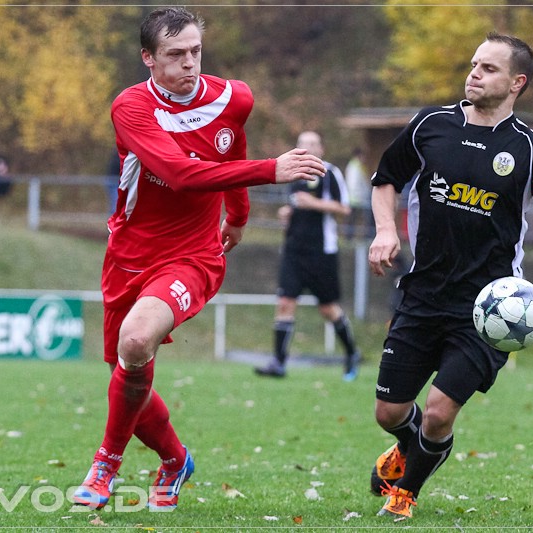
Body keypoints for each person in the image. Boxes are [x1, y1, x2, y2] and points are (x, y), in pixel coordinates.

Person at [71, 7, 325, 513]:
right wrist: (270, 170)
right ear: (148, 58)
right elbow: (181, 173)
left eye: (195, 52)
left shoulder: (234, 97)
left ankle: (105, 467)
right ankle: (175, 460)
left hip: (193, 254)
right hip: (128, 256)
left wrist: (238, 216)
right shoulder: (131, 107)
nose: (189, 63)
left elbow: (231, 153)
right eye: (175, 54)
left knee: (136, 340)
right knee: (127, 368)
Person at [367, 32, 533, 519]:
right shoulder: (430, 125)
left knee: (438, 411)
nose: (474, 74)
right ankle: (413, 446)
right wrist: (385, 230)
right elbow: (385, 181)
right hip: (422, 294)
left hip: (489, 309)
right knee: (389, 412)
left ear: (517, 82)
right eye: (474, 64)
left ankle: (405, 494)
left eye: (489, 68)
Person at [255, 131, 362, 382]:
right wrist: (286, 214)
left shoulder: (330, 173)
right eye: (303, 144)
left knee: (328, 309)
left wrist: (312, 204)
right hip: (293, 250)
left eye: (313, 144)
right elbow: (295, 205)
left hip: (321, 252)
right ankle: (278, 363)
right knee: (285, 303)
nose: (308, 148)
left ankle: (352, 353)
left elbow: (344, 209)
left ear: (321, 149)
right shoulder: (292, 173)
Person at [343, 146, 372, 239]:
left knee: (354, 219)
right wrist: (360, 195)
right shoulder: (355, 166)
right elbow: (354, 183)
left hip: (356, 197)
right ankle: (350, 238)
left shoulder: (355, 165)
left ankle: (350, 238)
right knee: (355, 218)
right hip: (357, 198)